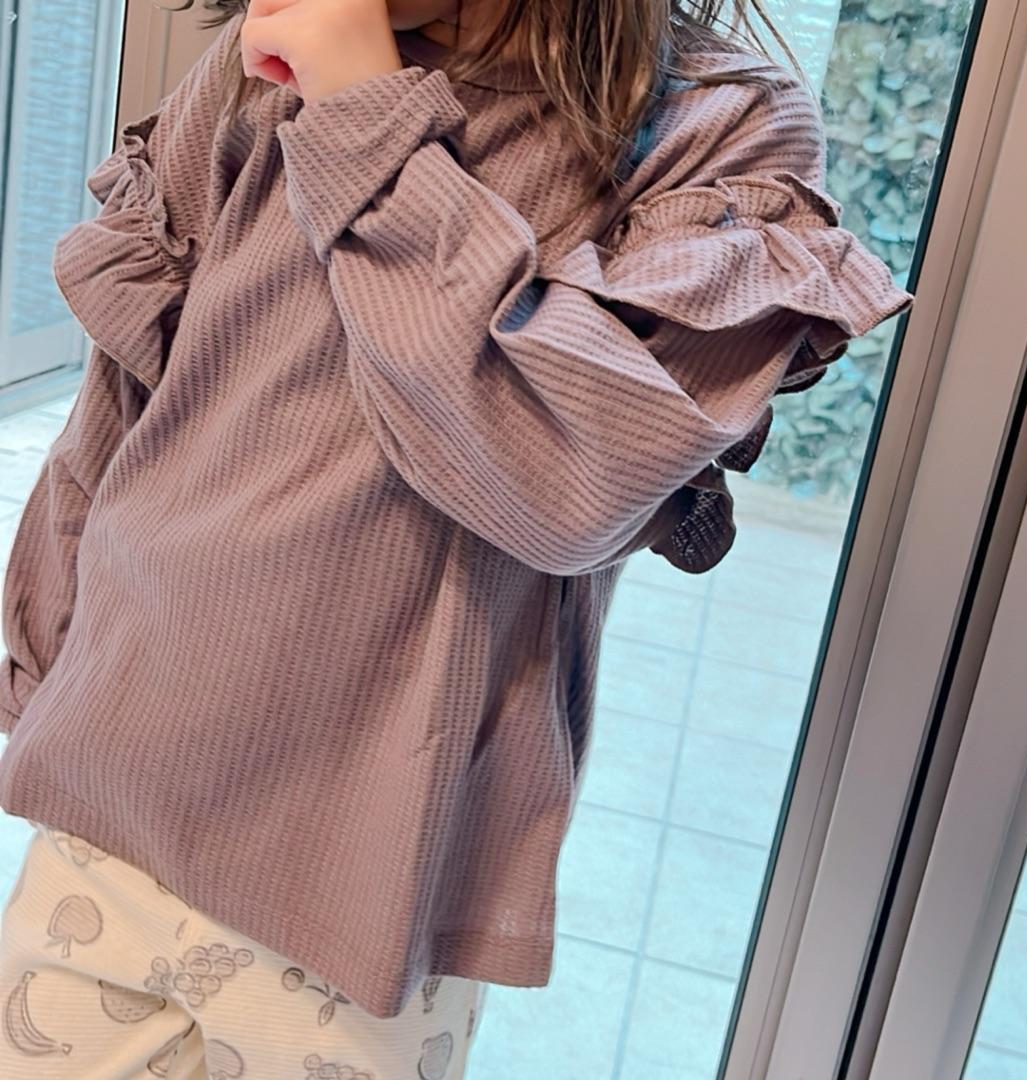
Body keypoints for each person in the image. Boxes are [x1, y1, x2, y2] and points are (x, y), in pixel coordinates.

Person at [0, 0, 915, 1075]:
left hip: (369, 876)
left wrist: (364, 116)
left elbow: (566, 478)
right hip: (109, 796)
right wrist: (42, 667)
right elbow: (122, 405)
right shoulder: (264, 62)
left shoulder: (713, 126)